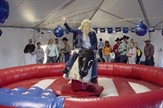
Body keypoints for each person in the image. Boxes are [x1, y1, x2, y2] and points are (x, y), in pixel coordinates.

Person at [61, 16, 98, 83]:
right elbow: (70, 30)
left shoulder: (92, 33)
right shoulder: (79, 31)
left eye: (88, 25)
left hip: (90, 49)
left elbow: (95, 42)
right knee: (75, 54)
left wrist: (90, 48)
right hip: (82, 48)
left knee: (95, 60)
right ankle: (67, 68)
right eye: (86, 25)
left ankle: (94, 76)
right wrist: (65, 22)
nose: (87, 27)